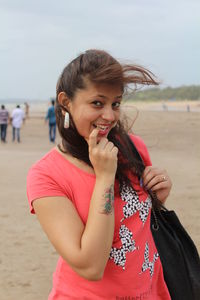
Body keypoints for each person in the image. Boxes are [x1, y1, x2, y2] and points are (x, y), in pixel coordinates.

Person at [27, 49, 172, 299]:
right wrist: (104, 177)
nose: (109, 116)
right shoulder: (46, 175)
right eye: (97, 103)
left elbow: (135, 226)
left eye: (115, 103)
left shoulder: (133, 148)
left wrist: (158, 195)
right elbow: (90, 266)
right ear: (65, 103)